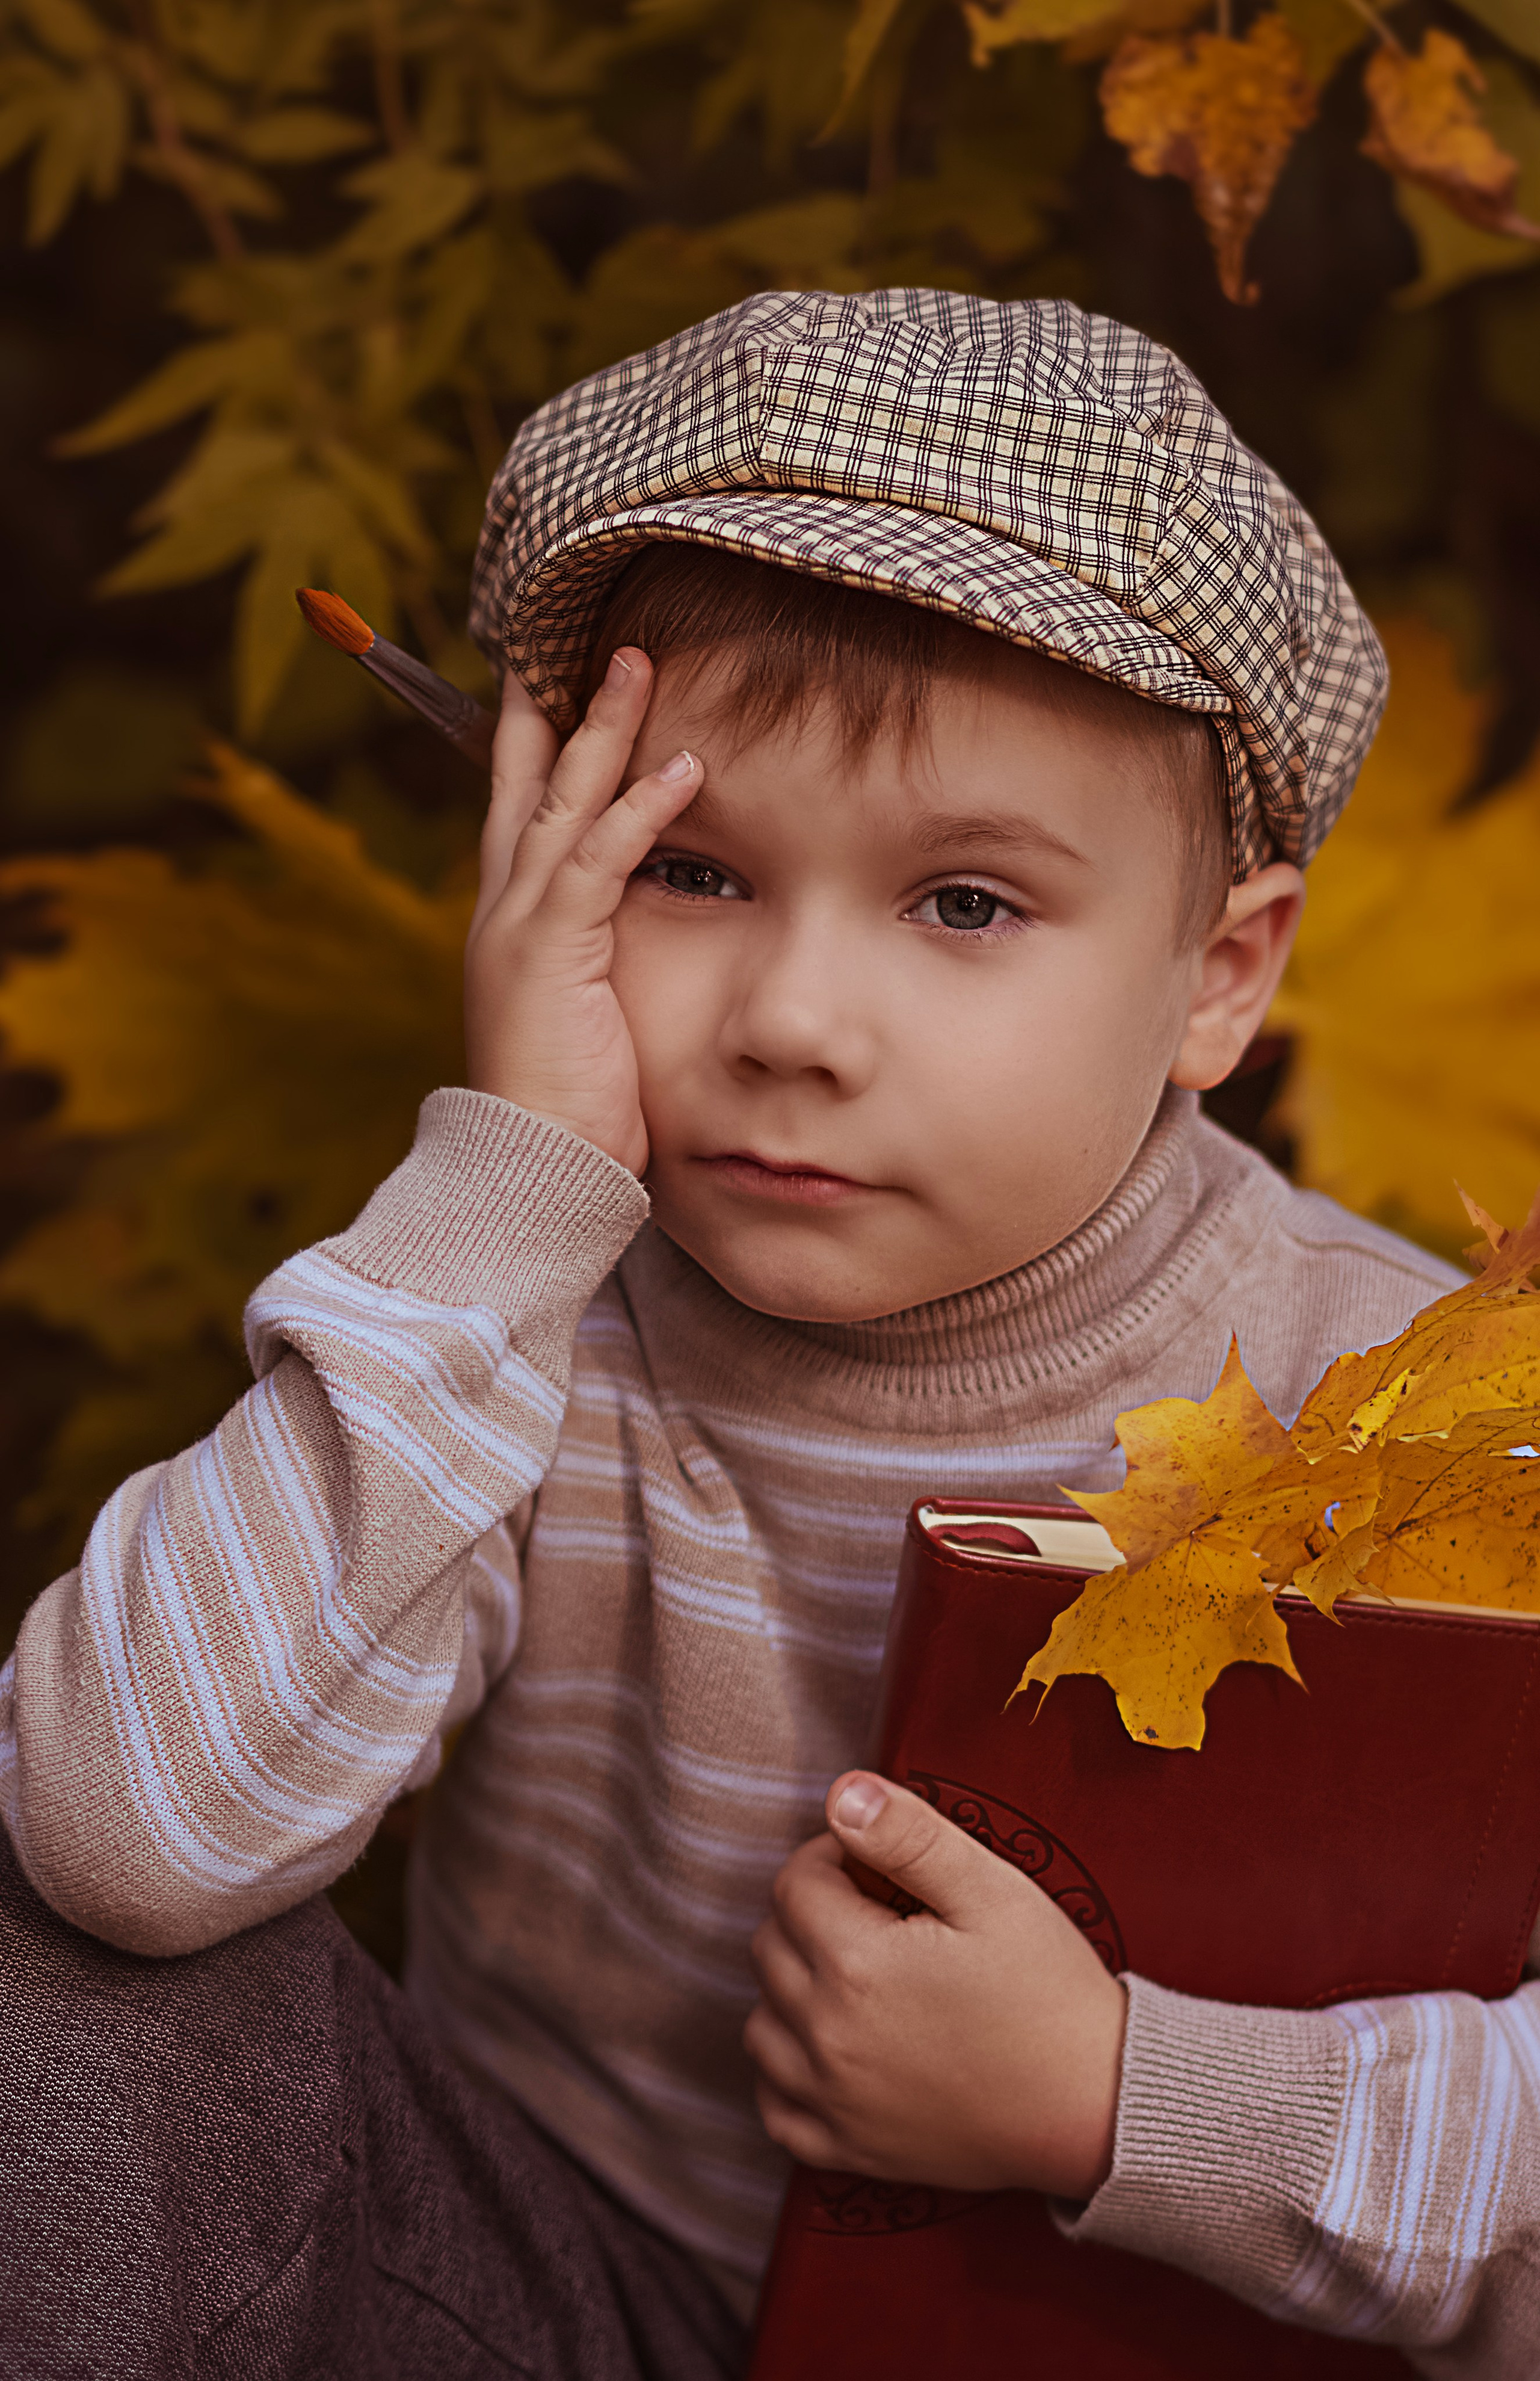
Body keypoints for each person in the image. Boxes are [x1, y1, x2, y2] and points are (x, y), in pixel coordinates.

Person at [2, 289, 1535, 2379]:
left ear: (1220, 977)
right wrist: (509, 1192)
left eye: (965, 902)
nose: (794, 1023)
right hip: (566, 2302)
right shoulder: (510, 1316)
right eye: (694, 872)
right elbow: (122, 1827)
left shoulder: (1420, 1421)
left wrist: (1119, 2097)